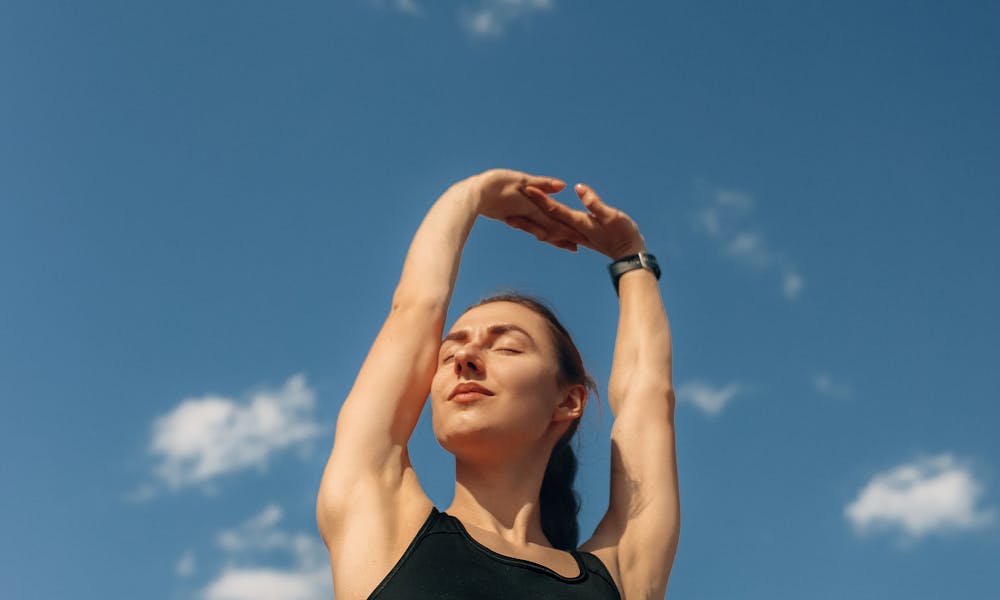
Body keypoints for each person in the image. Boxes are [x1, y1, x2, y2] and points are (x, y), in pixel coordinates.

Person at [316, 169, 680, 599]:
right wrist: (469, 196)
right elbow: (416, 307)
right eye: (448, 354)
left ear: (569, 400)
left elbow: (648, 399)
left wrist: (630, 257)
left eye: (506, 347)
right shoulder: (379, 519)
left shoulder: (621, 575)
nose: (465, 359)